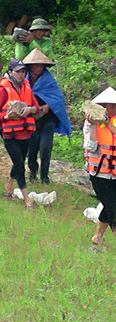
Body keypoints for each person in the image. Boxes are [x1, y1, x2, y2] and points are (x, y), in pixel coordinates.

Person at [83, 87, 116, 257]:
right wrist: (95, 125)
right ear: (102, 106)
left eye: (115, 107)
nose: (112, 110)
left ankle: (97, 237)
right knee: (112, 208)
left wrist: (108, 124)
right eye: (109, 107)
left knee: (108, 205)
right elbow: (91, 146)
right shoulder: (89, 124)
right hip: (98, 173)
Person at [23, 48, 71, 185]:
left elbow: (56, 99)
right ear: (30, 65)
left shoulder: (49, 79)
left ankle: (45, 177)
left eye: (41, 64)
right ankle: (32, 175)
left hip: (47, 120)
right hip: (31, 119)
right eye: (36, 64)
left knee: (45, 148)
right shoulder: (24, 80)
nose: (38, 67)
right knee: (31, 150)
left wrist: (48, 106)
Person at [0, 59, 40, 208]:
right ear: (10, 72)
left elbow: (37, 107)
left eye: (23, 71)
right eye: (18, 71)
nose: (21, 74)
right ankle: (27, 199)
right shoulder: (3, 89)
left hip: (25, 132)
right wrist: (6, 116)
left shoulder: (27, 86)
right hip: (10, 134)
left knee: (20, 161)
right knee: (19, 164)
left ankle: (9, 186)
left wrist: (30, 109)